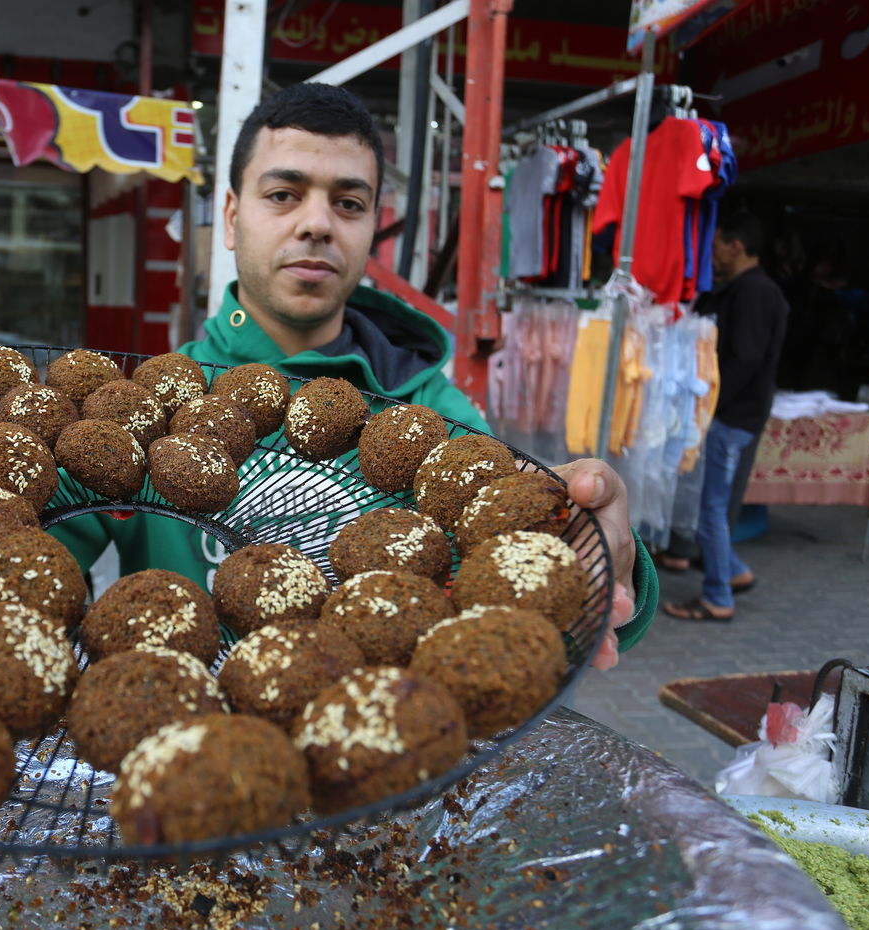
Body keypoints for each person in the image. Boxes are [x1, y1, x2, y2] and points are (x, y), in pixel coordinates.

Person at [55, 82, 658, 668]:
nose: (317, 223)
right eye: (284, 194)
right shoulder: (146, 408)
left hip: (387, 725)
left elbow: (510, 582)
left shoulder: (435, 413)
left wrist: (603, 561)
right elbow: (22, 547)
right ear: (232, 218)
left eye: (348, 203)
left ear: (372, 228)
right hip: (179, 715)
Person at [665, 213, 788, 622]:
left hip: (731, 416)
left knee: (711, 507)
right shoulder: (744, 290)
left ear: (736, 245)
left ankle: (718, 595)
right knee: (710, 503)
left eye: (716, 244)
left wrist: (708, 406)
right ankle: (734, 571)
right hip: (733, 413)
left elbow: (745, 358)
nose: (711, 252)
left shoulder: (754, 292)